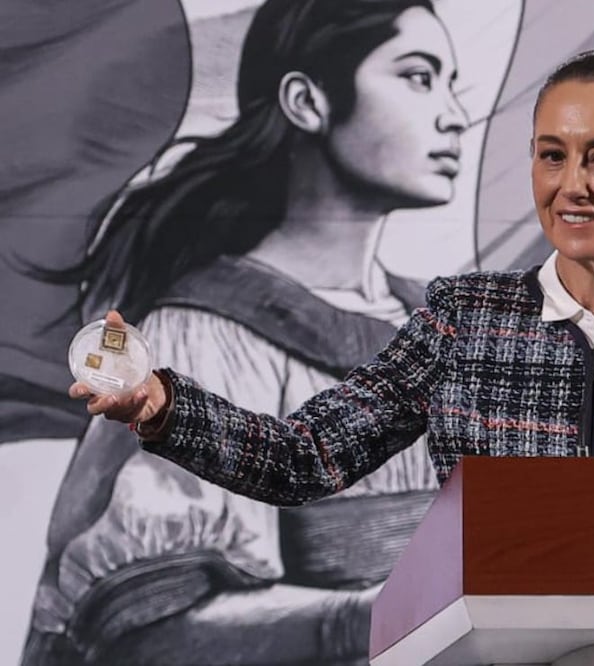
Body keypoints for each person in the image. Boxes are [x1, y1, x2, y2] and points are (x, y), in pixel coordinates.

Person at [75, 46, 594, 513]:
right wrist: (163, 406)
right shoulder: (464, 319)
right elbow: (304, 458)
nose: (572, 187)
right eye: (550, 156)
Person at [24, 1, 467, 663]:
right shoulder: (200, 335)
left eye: (453, 84)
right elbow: (150, 629)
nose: (455, 115)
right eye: (418, 76)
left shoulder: (441, 324)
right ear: (306, 101)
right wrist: (403, 613)